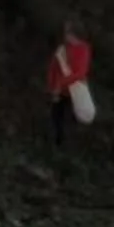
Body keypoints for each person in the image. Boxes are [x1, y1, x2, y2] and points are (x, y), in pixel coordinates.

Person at [44, 20, 91, 148]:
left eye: (68, 31)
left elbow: (80, 72)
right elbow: (53, 68)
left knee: (70, 119)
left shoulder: (83, 49)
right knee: (56, 118)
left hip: (74, 91)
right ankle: (56, 145)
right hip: (60, 91)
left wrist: (61, 83)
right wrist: (52, 86)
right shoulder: (63, 49)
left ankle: (69, 147)